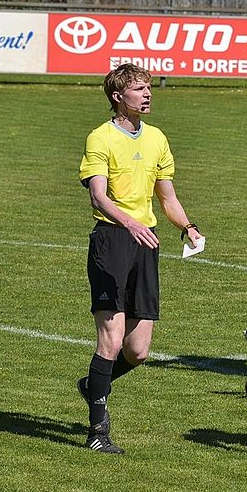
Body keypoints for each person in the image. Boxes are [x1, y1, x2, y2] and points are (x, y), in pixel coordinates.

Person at [77, 63, 204, 454]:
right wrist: (130, 223)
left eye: (149, 88)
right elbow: (99, 196)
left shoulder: (157, 139)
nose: (148, 94)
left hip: (145, 243)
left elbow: (167, 197)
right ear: (119, 97)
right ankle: (97, 431)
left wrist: (188, 226)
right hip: (112, 240)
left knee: (138, 351)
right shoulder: (100, 138)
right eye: (139, 89)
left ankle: (92, 385)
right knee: (111, 340)